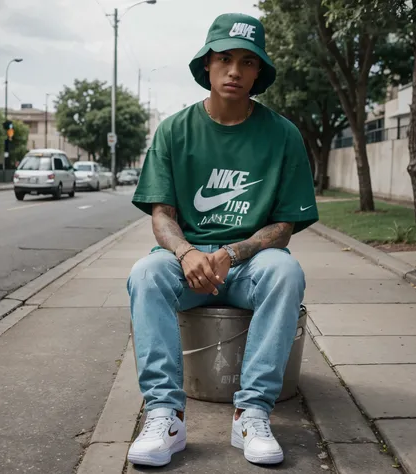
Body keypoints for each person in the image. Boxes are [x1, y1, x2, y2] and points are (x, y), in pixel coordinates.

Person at [127, 12, 318, 467]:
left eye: (247, 62)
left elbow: (283, 226)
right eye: (225, 59)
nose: (235, 71)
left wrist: (233, 252)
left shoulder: (283, 135)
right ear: (207, 65)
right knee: (146, 273)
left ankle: (251, 412)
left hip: (248, 264)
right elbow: (163, 214)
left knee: (286, 270)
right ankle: (165, 415)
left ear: (258, 72)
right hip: (187, 262)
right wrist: (187, 251)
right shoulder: (175, 130)